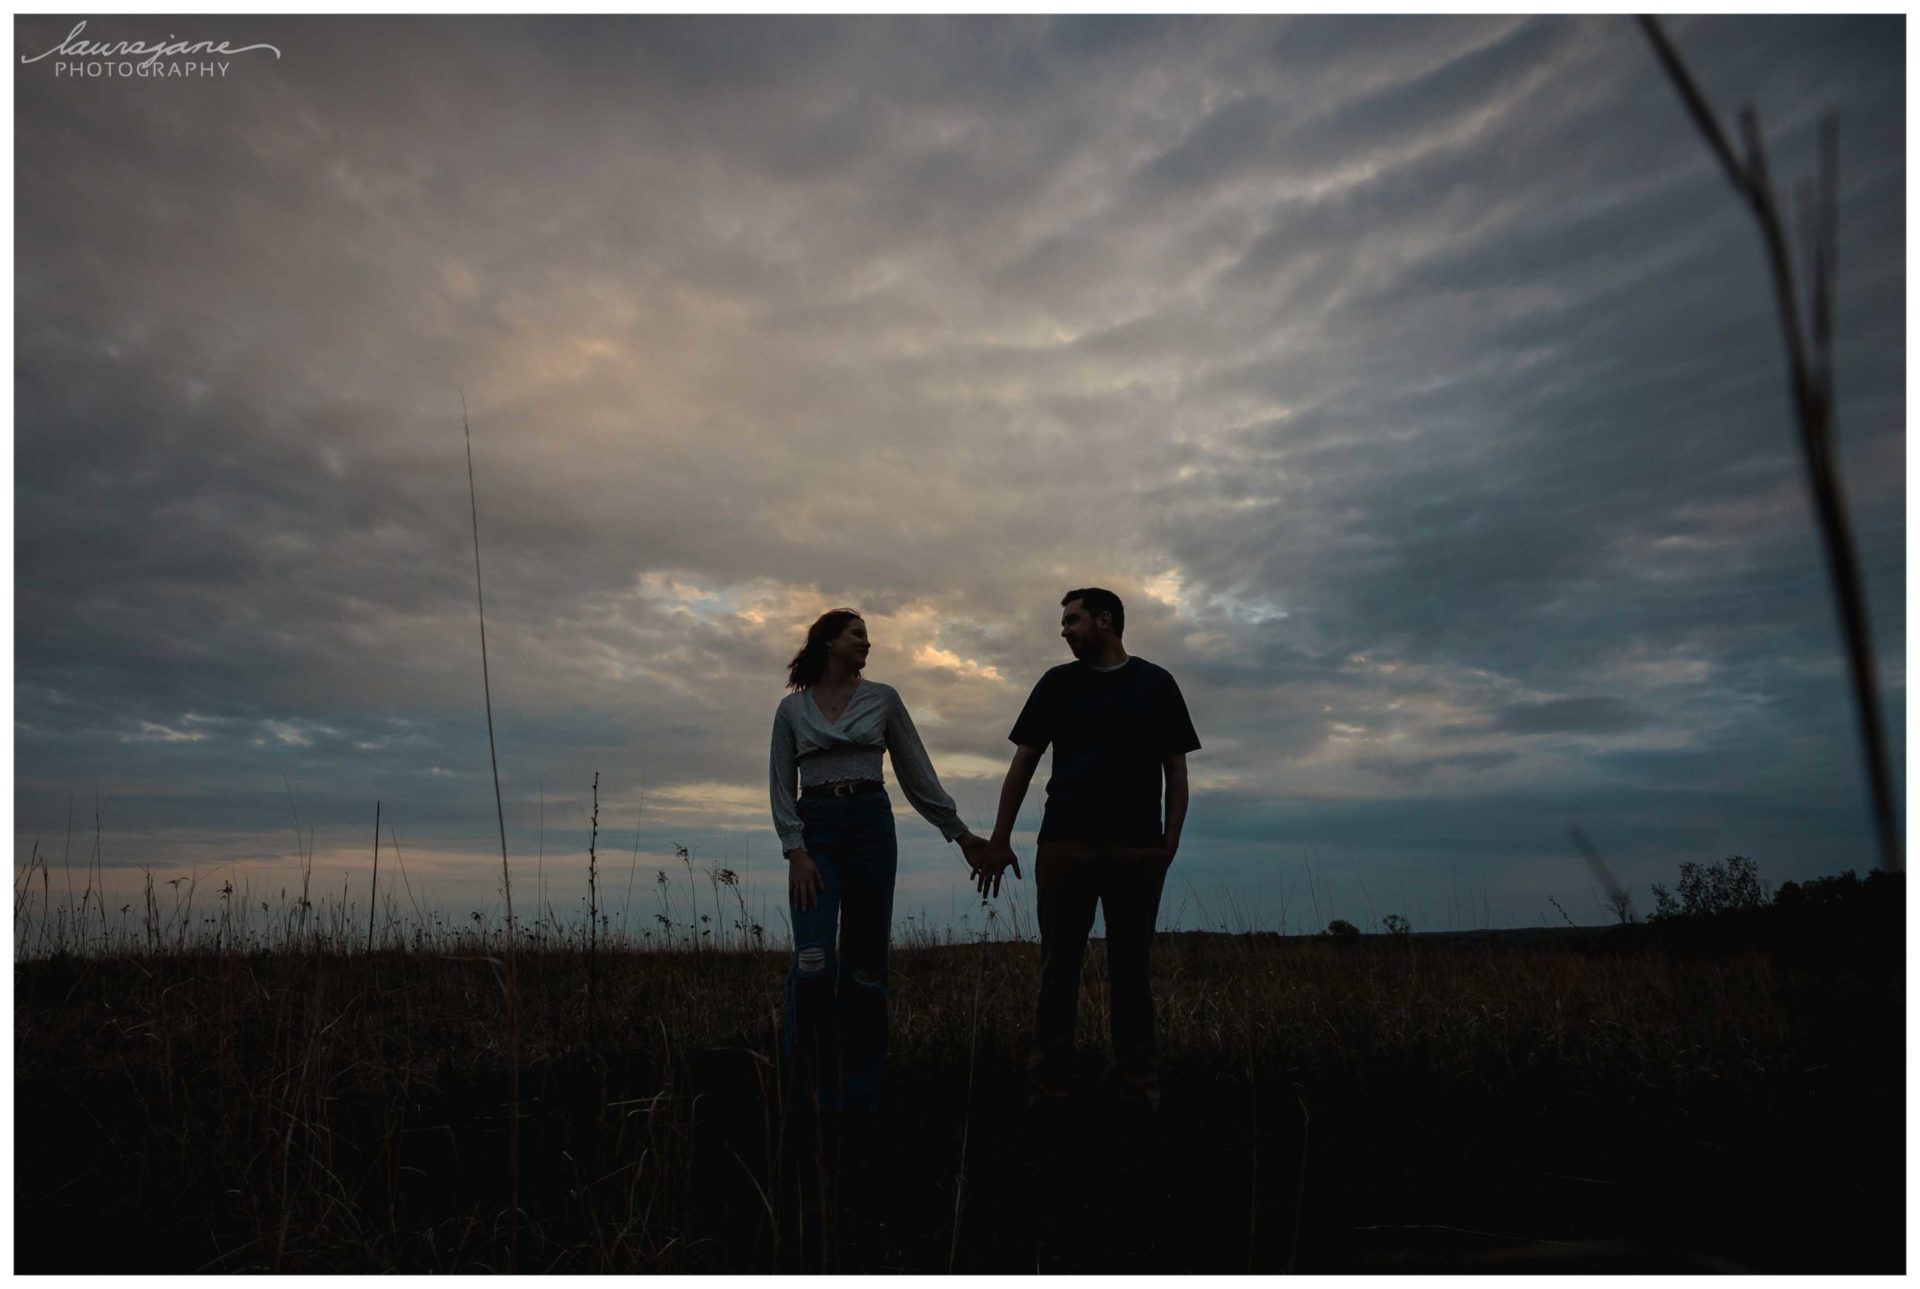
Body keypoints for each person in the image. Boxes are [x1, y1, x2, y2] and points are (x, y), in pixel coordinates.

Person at [975, 588, 1200, 1111]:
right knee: (1058, 974)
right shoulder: (1057, 684)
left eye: (1073, 620)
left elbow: (1176, 768)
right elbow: (1024, 763)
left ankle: (1139, 1091)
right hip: (1065, 847)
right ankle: (1049, 1092)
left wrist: (1169, 842)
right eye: (1063, 622)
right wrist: (1000, 839)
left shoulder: (1156, 683)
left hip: (1136, 851)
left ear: (1106, 620)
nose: (1064, 630)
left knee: (1132, 973)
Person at [770, 607, 992, 1117]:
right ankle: (805, 1099)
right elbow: (781, 785)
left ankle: (860, 1101)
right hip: (816, 825)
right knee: (813, 965)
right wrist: (796, 850)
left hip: (871, 824)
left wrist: (958, 834)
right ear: (829, 642)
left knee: (866, 971)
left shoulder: (883, 699)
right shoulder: (792, 712)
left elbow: (916, 771)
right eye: (858, 635)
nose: (867, 644)